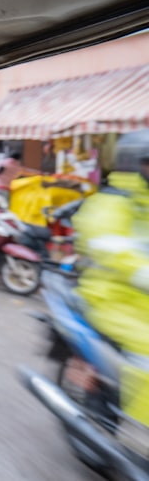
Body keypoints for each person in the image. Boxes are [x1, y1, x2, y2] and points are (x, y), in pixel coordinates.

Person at [73, 130, 149, 445]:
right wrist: (140, 271)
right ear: (135, 163)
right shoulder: (109, 204)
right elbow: (104, 242)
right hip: (110, 301)